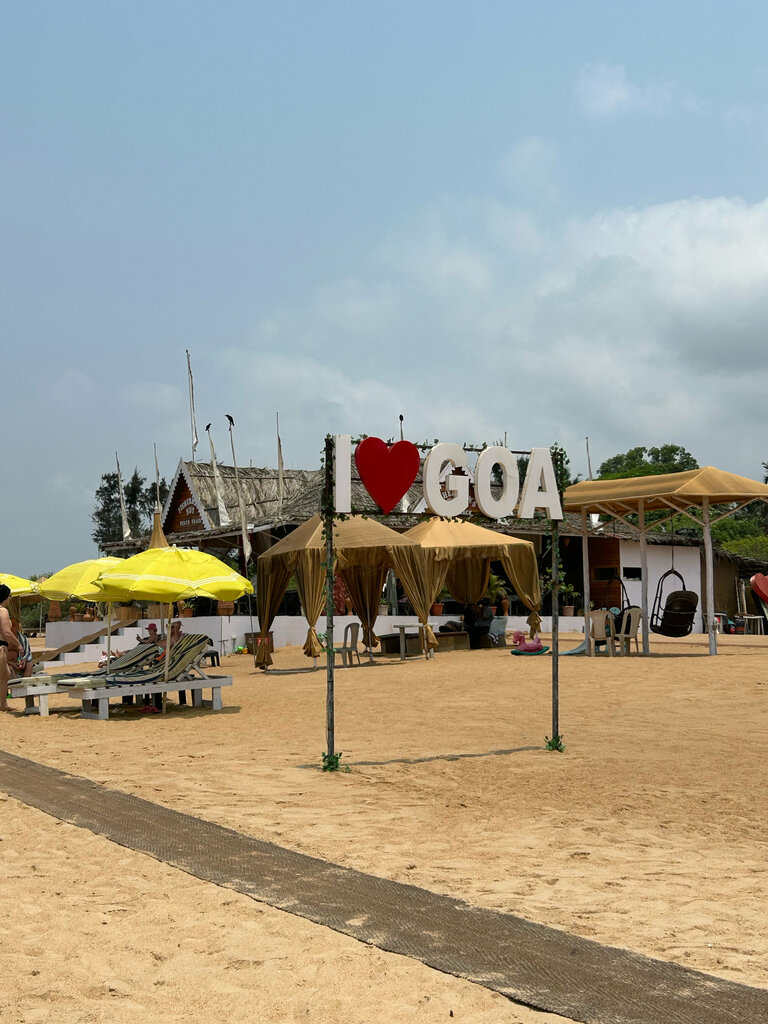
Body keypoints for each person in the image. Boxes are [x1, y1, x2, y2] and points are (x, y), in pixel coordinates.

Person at [0, 585, 22, 711]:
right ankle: (3, 705)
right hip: (1, 646)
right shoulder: (3, 611)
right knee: (3, 676)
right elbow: (7, 632)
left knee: (6, 674)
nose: (10, 599)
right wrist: (18, 645)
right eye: (9, 596)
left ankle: (3, 703)